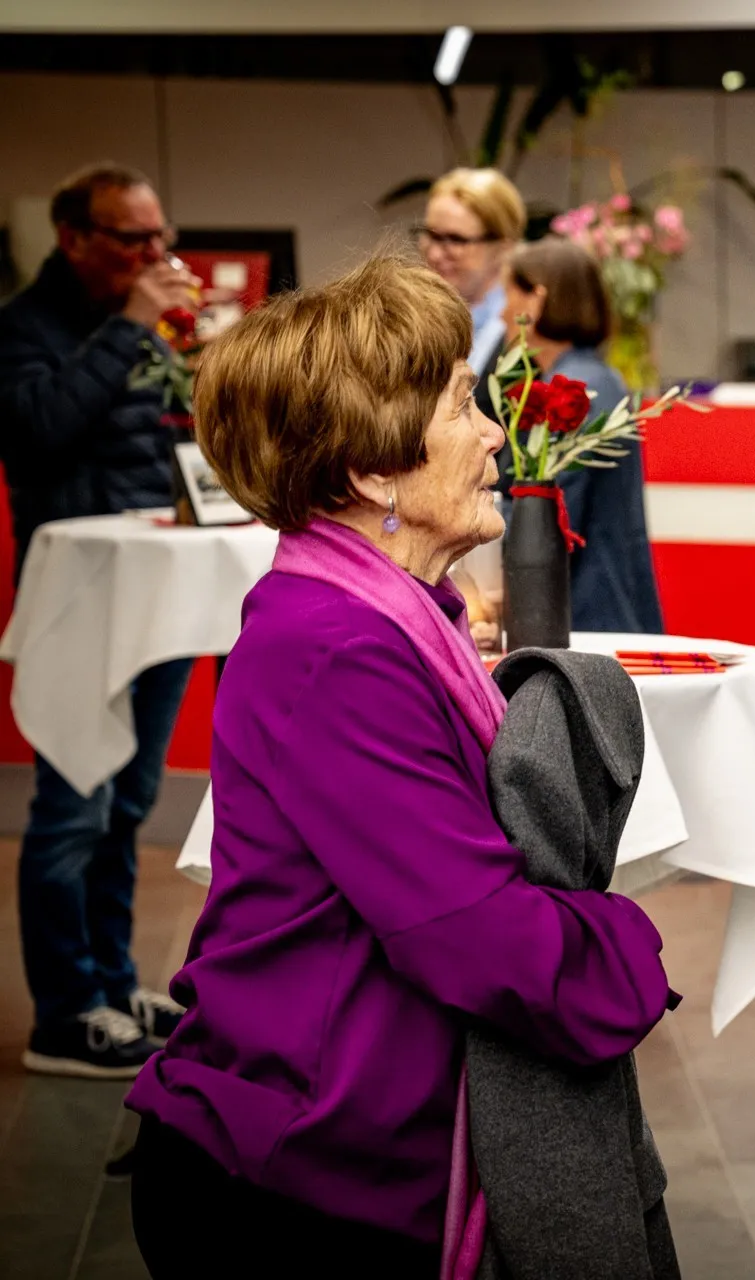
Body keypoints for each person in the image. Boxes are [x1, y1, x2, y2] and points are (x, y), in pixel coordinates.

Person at [123, 256, 673, 1275]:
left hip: (342, 1143)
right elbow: (479, 938)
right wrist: (630, 943)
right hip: (294, 1175)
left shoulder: (392, 614)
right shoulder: (337, 645)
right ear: (374, 470)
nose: (495, 434)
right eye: (465, 403)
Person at [0, 163, 202, 1077]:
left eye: (159, 237)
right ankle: (62, 1008)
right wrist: (130, 329)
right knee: (72, 804)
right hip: (82, 599)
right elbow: (41, 427)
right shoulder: (23, 330)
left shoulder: (147, 330)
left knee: (127, 801)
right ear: (73, 237)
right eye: (132, 239)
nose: (153, 255)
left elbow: (178, 443)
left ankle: (115, 983)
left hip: (153, 588)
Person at [501, 238, 665, 634]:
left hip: (587, 613)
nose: (503, 313)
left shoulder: (574, 390)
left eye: (508, 294)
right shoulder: (597, 378)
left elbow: (546, 515)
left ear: (535, 300)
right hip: (605, 602)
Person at [420, 167, 525, 376]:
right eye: (430, 235)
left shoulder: (522, 331)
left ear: (503, 248)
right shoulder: (416, 319)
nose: (434, 254)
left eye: (455, 239)